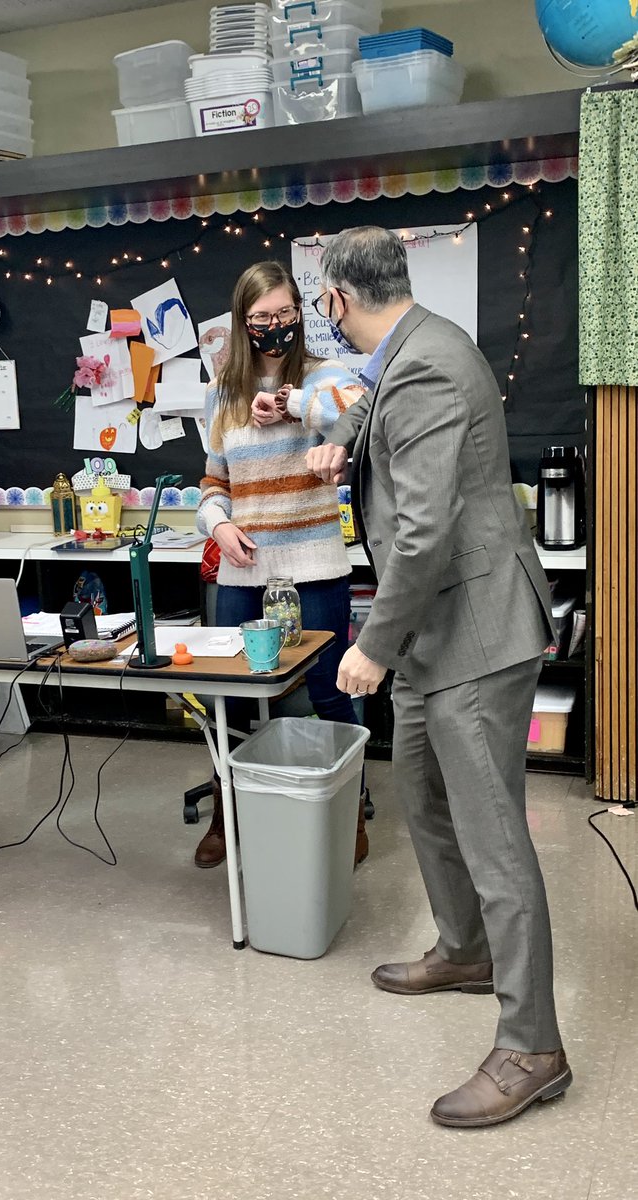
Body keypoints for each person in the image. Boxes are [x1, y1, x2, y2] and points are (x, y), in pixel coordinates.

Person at [306, 225, 570, 1128]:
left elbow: (420, 532)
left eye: (320, 303)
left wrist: (373, 644)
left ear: (337, 299)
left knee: (494, 836)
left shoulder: (426, 365)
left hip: (472, 627)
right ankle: (465, 950)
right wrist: (336, 441)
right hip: (435, 627)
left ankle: (533, 1046)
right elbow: (371, 407)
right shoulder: (408, 349)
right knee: (420, 793)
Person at [196, 260, 369, 870]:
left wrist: (294, 403)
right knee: (230, 698)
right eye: (261, 318)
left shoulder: (326, 377)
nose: (274, 326)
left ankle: (349, 812)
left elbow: (363, 415)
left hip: (317, 563)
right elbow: (213, 482)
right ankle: (225, 815)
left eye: (285, 315)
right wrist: (218, 524)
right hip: (244, 571)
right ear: (243, 323)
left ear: (300, 314)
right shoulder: (221, 392)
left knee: (328, 688)